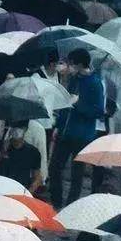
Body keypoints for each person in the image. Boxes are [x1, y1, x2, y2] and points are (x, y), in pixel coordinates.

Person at [48, 49, 106, 207]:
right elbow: (66, 104)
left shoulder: (95, 83)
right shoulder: (74, 79)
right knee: (54, 168)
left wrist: (79, 105)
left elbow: (99, 111)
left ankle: (71, 205)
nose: (70, 66)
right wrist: (58, 126)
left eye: (72, 63)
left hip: (82, 135)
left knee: (77, 173)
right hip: (65, 132)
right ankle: (56, 201)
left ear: (80, 64)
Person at [0, 125, 42, 189]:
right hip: (1, 186)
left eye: (19, 140)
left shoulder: (33, 151)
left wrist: (29, 191)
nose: (16, 143)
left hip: (20, 187)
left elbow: (37, 176)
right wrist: (2, 152)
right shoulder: (3, 147)